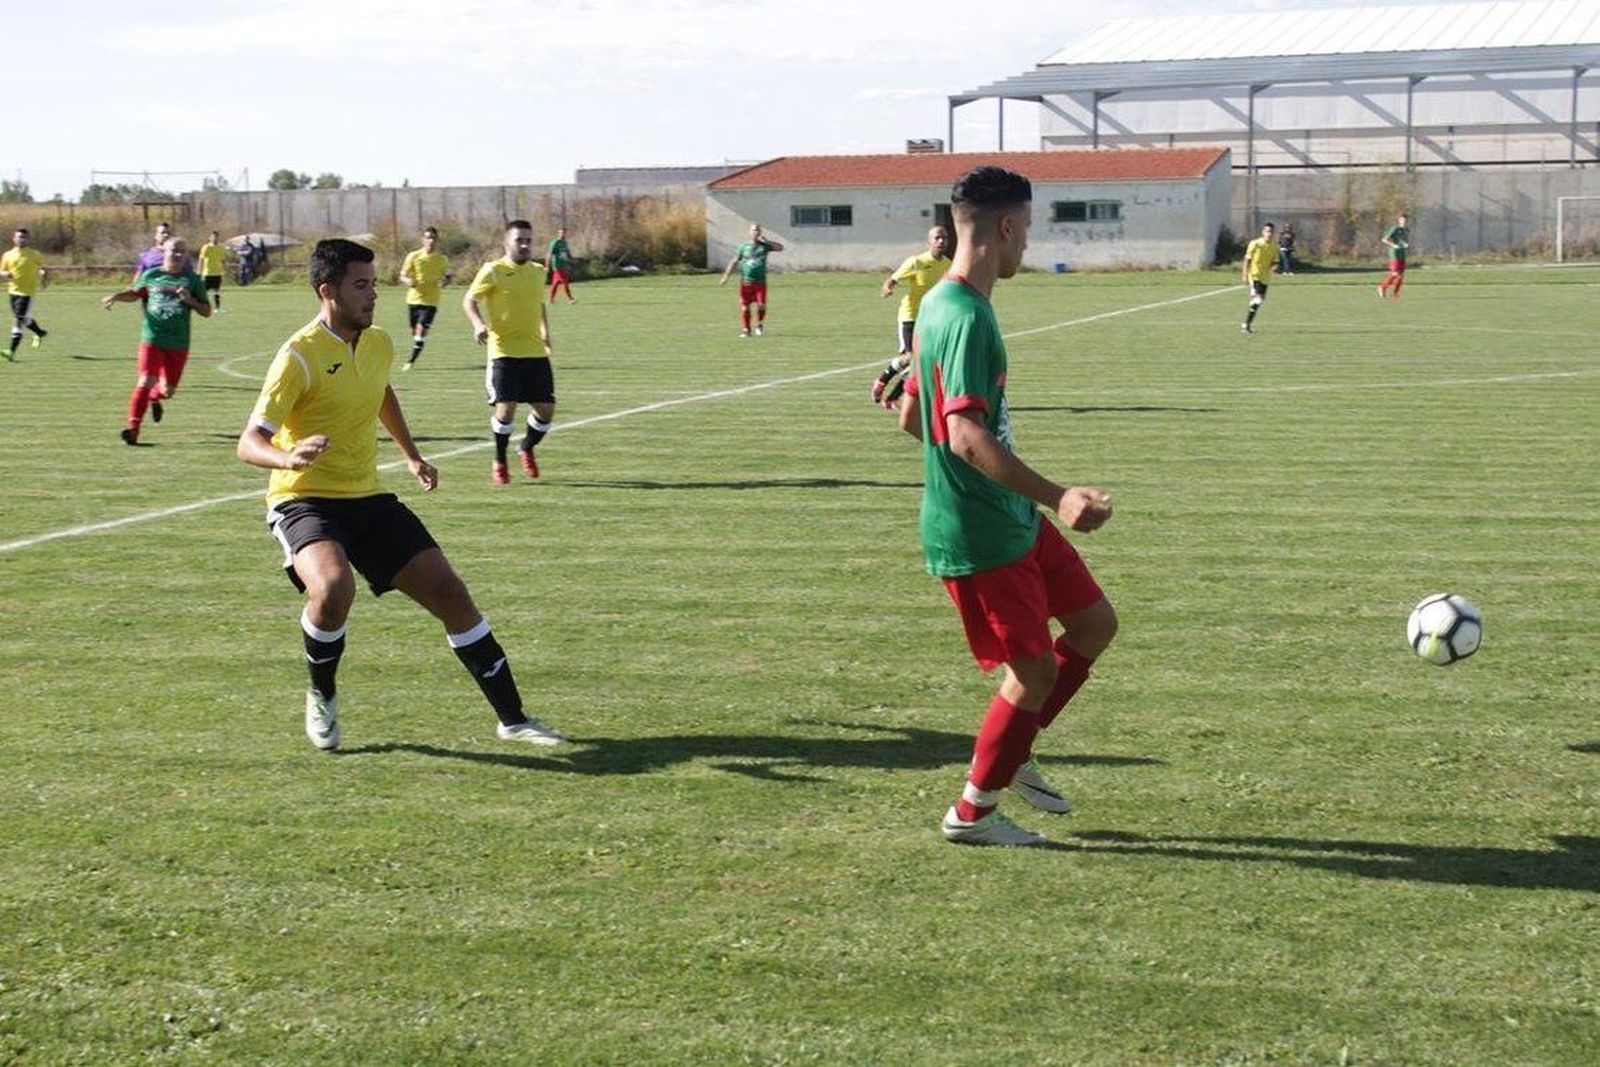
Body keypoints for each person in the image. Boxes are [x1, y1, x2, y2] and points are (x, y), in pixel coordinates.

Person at [235, 238, 561, 750]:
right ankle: (322, 694)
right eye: (360, 285)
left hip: (367, 497)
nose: (373, 295)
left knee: (451, 593)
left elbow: (381, 391)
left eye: (374, 284)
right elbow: (249, 443)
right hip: (304, 498)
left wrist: (410, 454)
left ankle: (514, 718)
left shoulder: (379, 341)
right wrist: (287, 457)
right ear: (328, 291)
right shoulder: (298, 355)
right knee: (334, 587)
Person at [897, 166, 1117, 847]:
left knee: (1094, 625)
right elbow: (961, 434)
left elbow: (913, 416)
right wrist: (1060, 495)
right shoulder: (961, 313)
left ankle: (1013, 752)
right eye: (1027, 230)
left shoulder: (941, 301)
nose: (1028, 244)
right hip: (981, 532)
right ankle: (973, 811)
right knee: (1035, 672)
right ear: (1007, 227)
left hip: (1011, 518)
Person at [463, 220, 554, 485]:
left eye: (528, 240)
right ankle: (499, 460)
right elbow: (469, 300)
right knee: (506, 411)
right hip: (503, 352)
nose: (525, 245)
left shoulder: (538, 271)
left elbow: (538, 304)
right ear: (506, 244)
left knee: (546, 411)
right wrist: (478, 324)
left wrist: (546, 332)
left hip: (535, 352)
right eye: (519, 240)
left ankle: (526, 447)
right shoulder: (493, 270)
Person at [102, 236, 210, 443]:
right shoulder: (151, 275)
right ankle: (133, 429)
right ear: (164, 253)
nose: (178, 255)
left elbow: (206, 311)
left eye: (182, 251)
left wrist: (190, 301)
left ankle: (154, 397)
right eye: (174, 251)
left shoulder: (193, 280)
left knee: (168, 391)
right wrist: (115, 296)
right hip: (152, 338)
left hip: (178, 343)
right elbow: (135, 294)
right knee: (145, 380)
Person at [871, 225, 951, 408]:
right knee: (910, 357)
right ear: (929, 242)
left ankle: (892, 399)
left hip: (931, 320)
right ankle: (882, 381)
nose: (941, 241)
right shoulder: (916, 262)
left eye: (944, 238)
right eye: (937, 238)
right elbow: (892, 279)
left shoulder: (948, 264)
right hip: (910, 316)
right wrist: (887, 288)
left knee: (923, 364)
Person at [398, 226, 453, 369]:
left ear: (437, 240)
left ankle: (411, 361)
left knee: (421, 328)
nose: (431, 241)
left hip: (431, 301)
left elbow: (448, 276)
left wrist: (446, 281)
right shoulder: (413, 256)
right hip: (413, 299)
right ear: (423, 240)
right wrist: (408, 281)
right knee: (414, 330)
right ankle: (417, 343)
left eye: (433, 238)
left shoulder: (442, 259)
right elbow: (402, 275)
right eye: (428, 237)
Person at [718, 223, 783, 337]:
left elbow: (780, 248)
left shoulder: (764, 246)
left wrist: (767, 242)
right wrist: (726, 277)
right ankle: (746, 330)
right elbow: (734, 261)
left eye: (757, 230)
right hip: (746, 282)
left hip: (760, 282)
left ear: (760, 232)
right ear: (750, 232)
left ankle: (759, 324)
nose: (755, 232)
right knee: (745, 306)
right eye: (753, 230)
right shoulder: (744, 247)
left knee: (761, 305)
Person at [1, 227, 49, 359]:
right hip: (12, 291)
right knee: (25, 318)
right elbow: (2, 271)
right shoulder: (7, 255)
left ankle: (11, 351)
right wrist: (4, 274)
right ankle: (40, 333)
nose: (22, 239)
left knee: (18, 320)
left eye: (24, 237)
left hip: (27, 292)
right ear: (14, 239)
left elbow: (44, 268)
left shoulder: (34, 254)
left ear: (28, 239)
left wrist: (44, 277)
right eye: (19, 237)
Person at [1240, 222, 1279, 334]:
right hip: (1254, 274)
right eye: (1267, 231)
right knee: (1258, 298)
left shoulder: (1274, 246)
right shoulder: (1255, 243)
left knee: (1258, 301)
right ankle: (1246, 324)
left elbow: (1275, 262)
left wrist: (1275, 267)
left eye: (1271, 231)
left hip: (1265, 277)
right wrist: (1244, 275)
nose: (1269, 234)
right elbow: (1247, 260)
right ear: (1263, 232)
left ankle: (1246, 324)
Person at [1379, 213, 1410, 299]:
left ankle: (1395, 294)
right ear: (1399, 221)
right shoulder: (1395, 229)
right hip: (1394, 254)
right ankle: (1382, 287)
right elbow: (1384, 239)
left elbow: (1403, 241)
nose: (1404, 222)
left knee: (1401, 275)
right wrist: (1393, 245)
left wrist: (1406, 244)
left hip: (1402, 254)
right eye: (1403, 220)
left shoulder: (1406, 230)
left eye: (1406, 221)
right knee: (1396, 273)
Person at [196, 230, 229, 312]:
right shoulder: (206, 247)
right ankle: (198, 305)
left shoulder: (221, 248)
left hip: (217, 273)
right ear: (210, 238)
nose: (215, 238)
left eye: (216, 237)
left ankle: (217, 308)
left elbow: (223, 260)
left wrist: (224, 270)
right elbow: (201, 259)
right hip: (207, 273)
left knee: (217, 291)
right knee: (203, 291)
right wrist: (199, 271)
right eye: (213, 237)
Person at [546, 226, 575, 304]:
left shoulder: (564, 243)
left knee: (555, 283)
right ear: (558, 233)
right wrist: (547, 265)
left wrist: (571, 259)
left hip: (563, 265)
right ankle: (570, 298)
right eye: (561, 233)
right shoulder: (555, 242)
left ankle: (550, 299)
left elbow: (567, 252)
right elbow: (549, 254)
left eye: (564, 233)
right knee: (565, 281)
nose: (563, 234)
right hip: (557, 265)